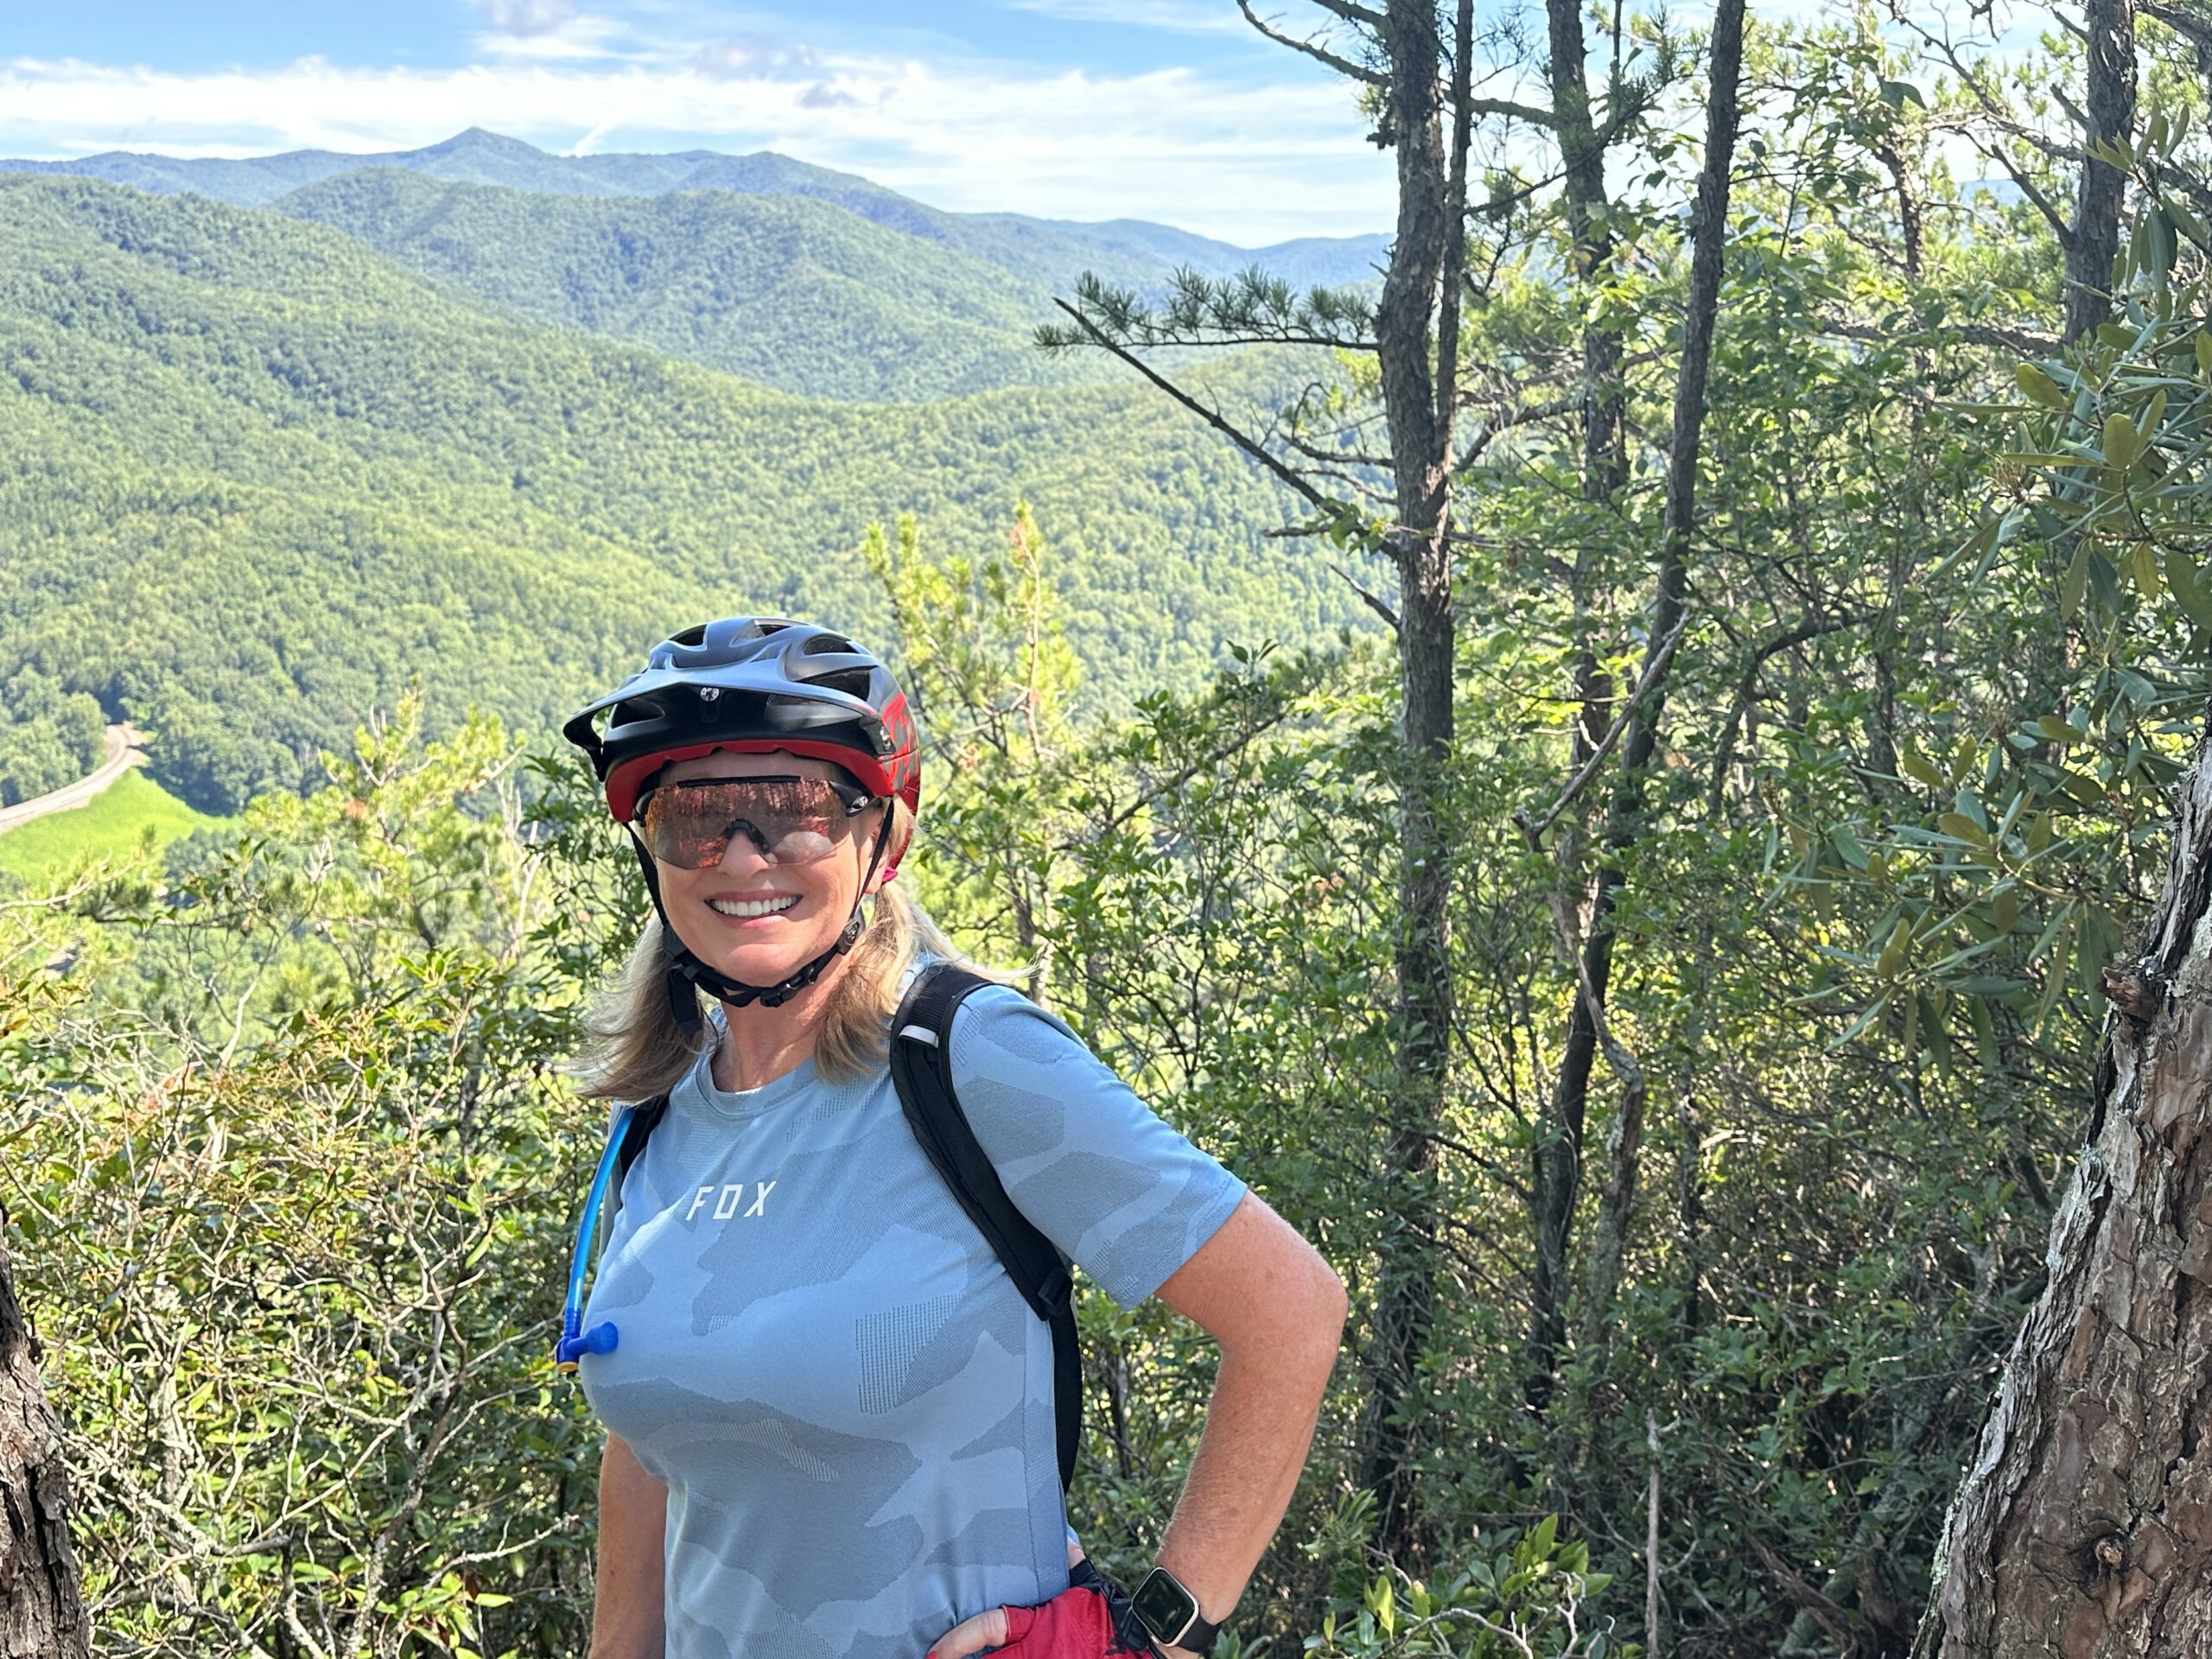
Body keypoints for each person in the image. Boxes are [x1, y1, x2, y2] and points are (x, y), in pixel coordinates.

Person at [558, 616, 1346, 1659]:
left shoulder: (965, 1058)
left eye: (794, 809)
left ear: (880, 838)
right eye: (695, 816)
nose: (743, 854)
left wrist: (1158, 1632)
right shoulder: (658, 1118)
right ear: (651, 847)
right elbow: (650, 1443)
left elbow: (1289, 1308)